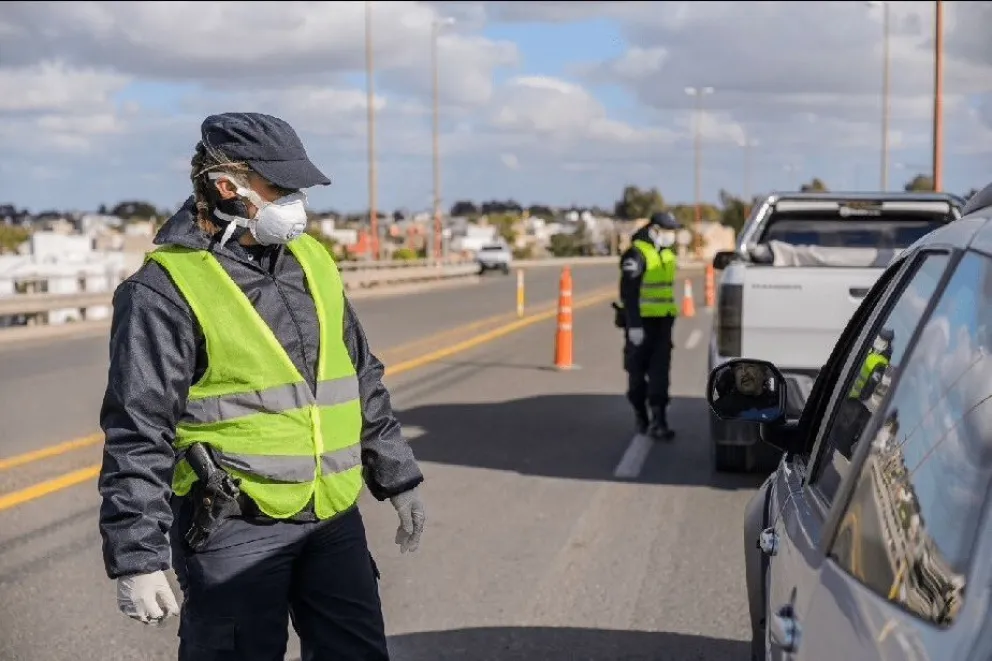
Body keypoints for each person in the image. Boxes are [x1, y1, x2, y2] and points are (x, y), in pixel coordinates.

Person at [96, 112, 426, 661]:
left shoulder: (312, 260)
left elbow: (359, 376)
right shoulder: (164, 289)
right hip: (234, 527)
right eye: (281, 188)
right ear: (228, 186)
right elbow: (138, 427)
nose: (297, 201)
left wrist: (398, 477)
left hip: (332, 518)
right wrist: (137, 555)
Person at [616, 211, 681, 440]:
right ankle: (640, 414)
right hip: (641, 324)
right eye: (667, 230)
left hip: (662, 323)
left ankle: (659, 421)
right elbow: (629, 292)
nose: (671, 235)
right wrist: (634, 325)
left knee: (660, 373)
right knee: (636, 375)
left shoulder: (667, 253)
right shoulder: (636, 254)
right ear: (654, 230)